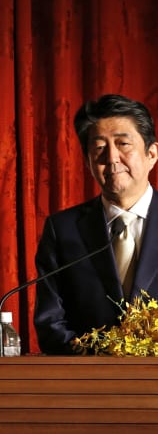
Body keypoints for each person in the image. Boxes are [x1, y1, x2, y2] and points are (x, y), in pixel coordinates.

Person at [34, 94, 158, 354]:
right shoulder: (63, 229)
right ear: (88, 161)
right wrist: (99, 358)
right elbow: (51, 324)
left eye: (123, 144)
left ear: (151, 153)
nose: (111, 158)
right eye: (99, 148)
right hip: (87, 387)